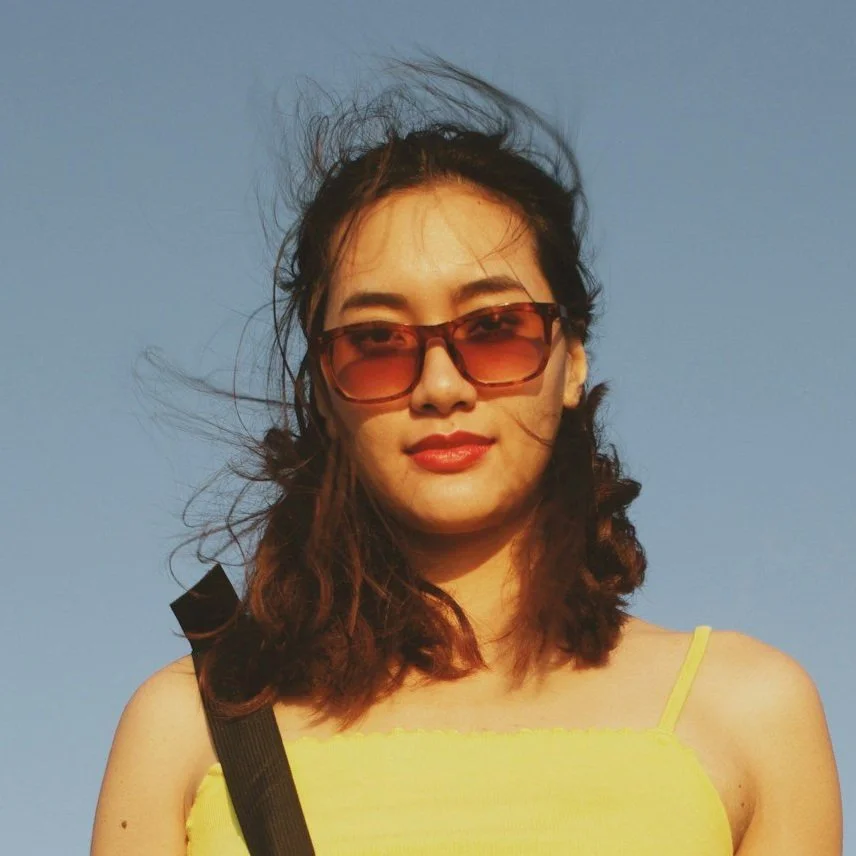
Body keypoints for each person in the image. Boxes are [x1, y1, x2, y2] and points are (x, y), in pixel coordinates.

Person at [90, 58, 842, 855]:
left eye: (493, 328)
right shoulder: (189, 725)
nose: (440, 386)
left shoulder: (748, 710)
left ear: (571, 359)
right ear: (322, 387)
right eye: (377, 343)